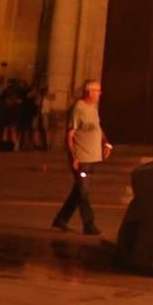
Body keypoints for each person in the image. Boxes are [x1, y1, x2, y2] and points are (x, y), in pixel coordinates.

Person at [51, 80, 111, 236]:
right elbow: (70, 134)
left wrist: (106, 143)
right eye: (98, 90)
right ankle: (88, 224)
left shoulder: (93, 107)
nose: (100, 93)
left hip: (92, 157)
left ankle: (61, 219)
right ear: (89, 92)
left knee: (78, 190)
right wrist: (74, 157)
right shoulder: (78, 108)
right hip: (81, 157)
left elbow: (98, 127)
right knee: (84, 191)